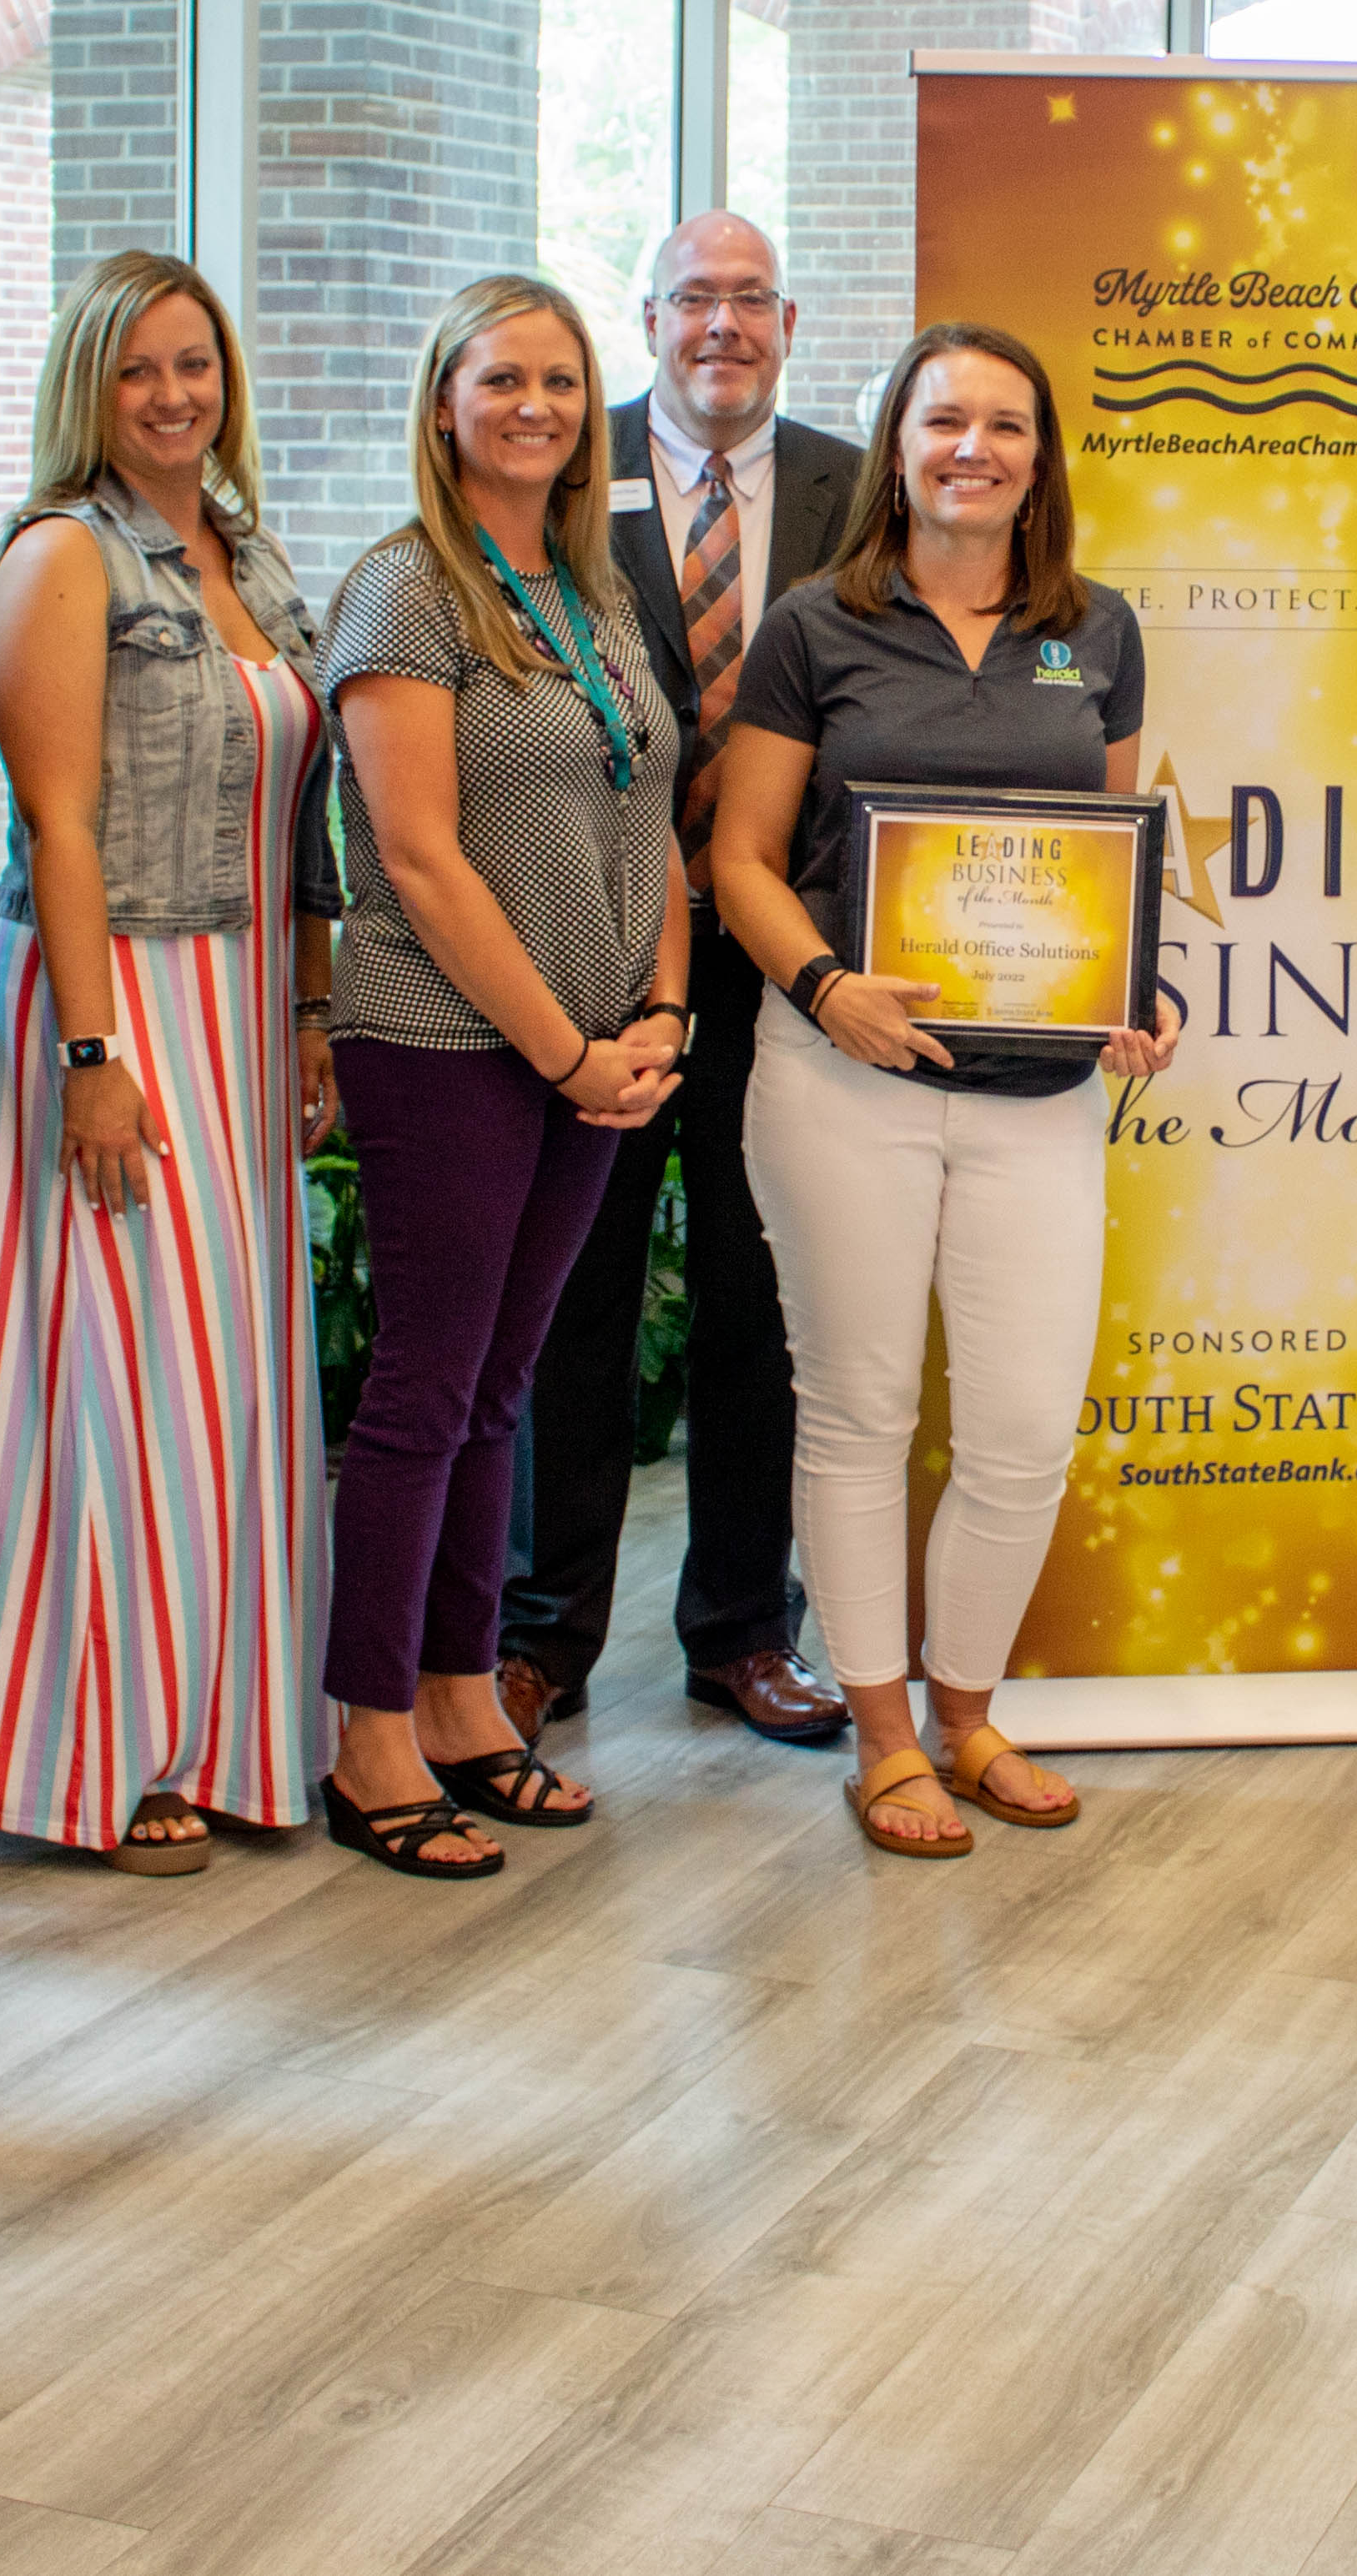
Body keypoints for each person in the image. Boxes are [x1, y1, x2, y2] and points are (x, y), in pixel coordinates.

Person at [0, 253, 344, 1876]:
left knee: (230, 1382)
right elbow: (52, 820)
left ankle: (220, 1724)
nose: (170, 396)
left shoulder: (250, 555)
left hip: (246, 991)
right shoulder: (61, 555)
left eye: (194, 364)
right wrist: (86, 1053)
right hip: (117, 994)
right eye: (136, 369)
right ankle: (81, 1738)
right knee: (107, 1373)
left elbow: (297, 823)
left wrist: (307, 1009)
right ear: (87, 385)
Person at [709, 320, 1180, 1855]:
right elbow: (740, 860)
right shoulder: (812, 625)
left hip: (1039, 1096)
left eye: (1005, 424)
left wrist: (1139, 990)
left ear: (1041, 458)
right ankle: (887, 1736)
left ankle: (972, 1712)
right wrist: (829, 987)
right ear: (897, 446)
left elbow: (1113, 870)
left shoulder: (1095, 630)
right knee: (858, 1411)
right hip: (845, 1078)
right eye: (943, 420)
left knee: (1027, 1426)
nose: (974, 446)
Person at [309, 275, 684, 1879]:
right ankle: (370, 1736)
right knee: (423, 1392)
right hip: (456, 1047)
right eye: (500, 378)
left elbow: (648, 802)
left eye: (558, 379)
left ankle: (466, 1700)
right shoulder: (404, 590)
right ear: (444, 400)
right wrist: (570, 1050)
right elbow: (414, 855)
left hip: (597, 1052)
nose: (533, 405)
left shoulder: (589, 594)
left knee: (501, 1391)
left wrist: (657, 1017)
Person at [515, 213, 862, 1750]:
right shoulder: (566, 484)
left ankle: (739, 1628)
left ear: (787, 321)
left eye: (750, 301)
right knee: (574, 1297)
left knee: (759, 1295)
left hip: (793, 959)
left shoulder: (862, 487)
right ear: (647, 318)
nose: (723, 325)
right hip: (596, 950)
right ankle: (542, 1636)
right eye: (694, 300)